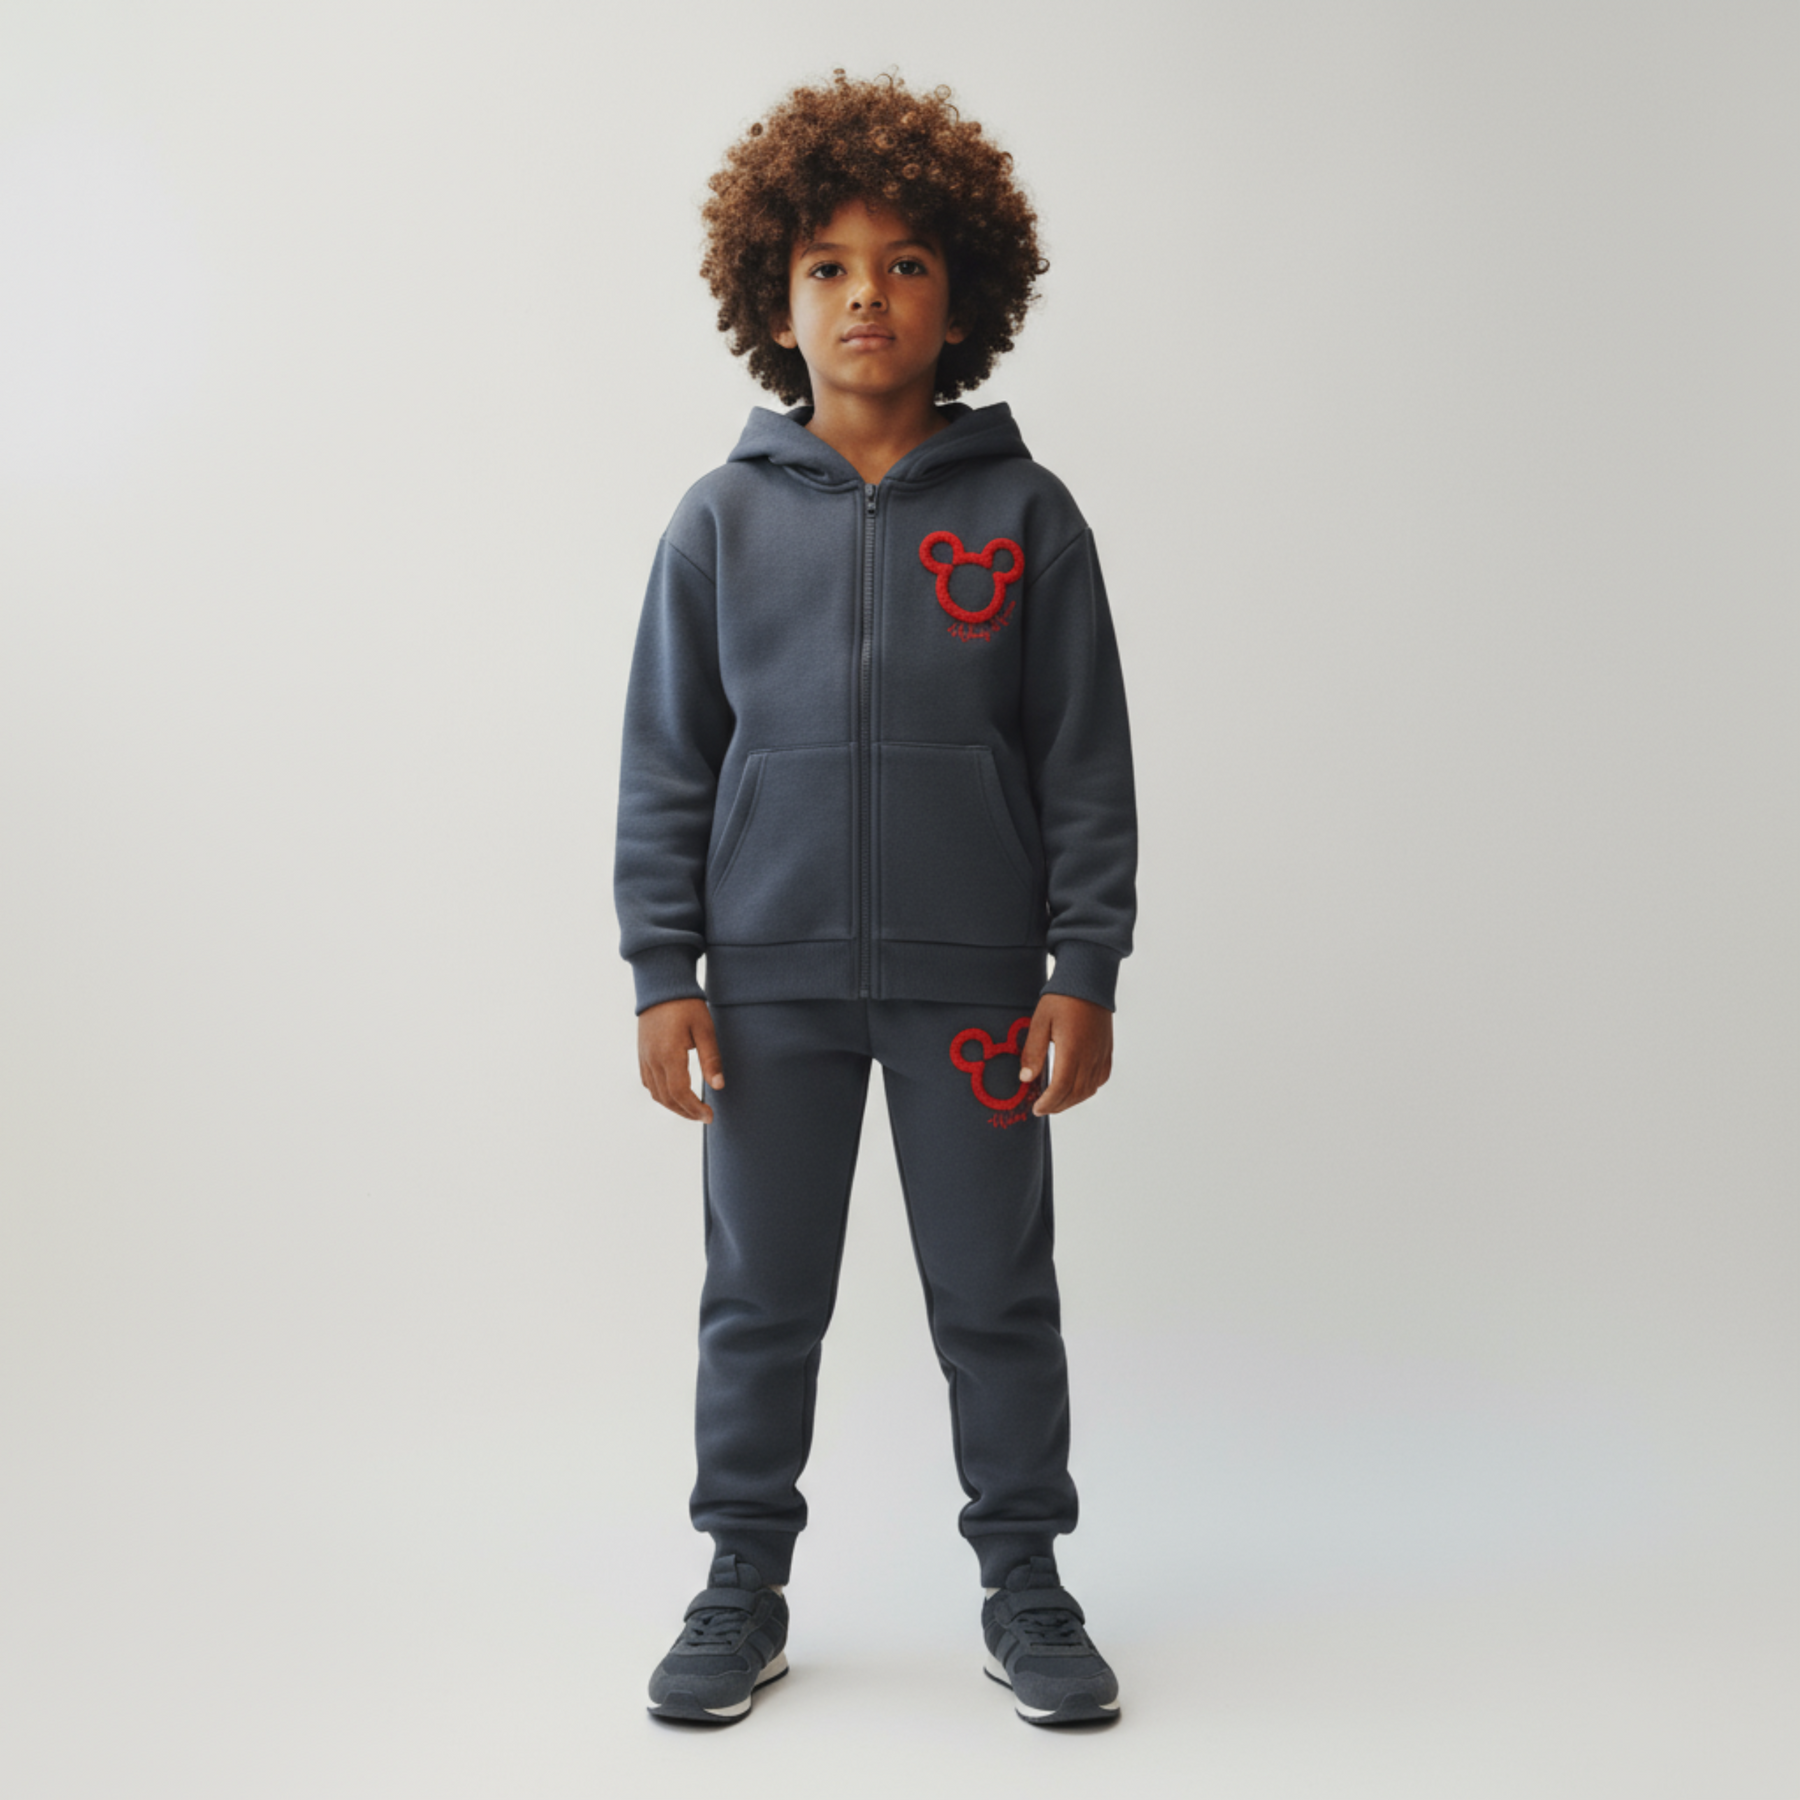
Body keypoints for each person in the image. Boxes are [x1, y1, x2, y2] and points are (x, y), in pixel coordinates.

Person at [614, 70, 1136, 1727]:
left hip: (977, 984)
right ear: (774, 300)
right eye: (828, 265)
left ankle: (1026, 1580)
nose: (866, 295)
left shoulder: (1027, 517)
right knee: (760, 1302)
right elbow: (668, 761)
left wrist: (1084, 966)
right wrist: (663, 970)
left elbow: (1083, 763)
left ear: (961, 297)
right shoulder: (717, 525)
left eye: (905, 263)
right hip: (765, 987)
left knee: (996, 1297)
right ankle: (740, 1580)